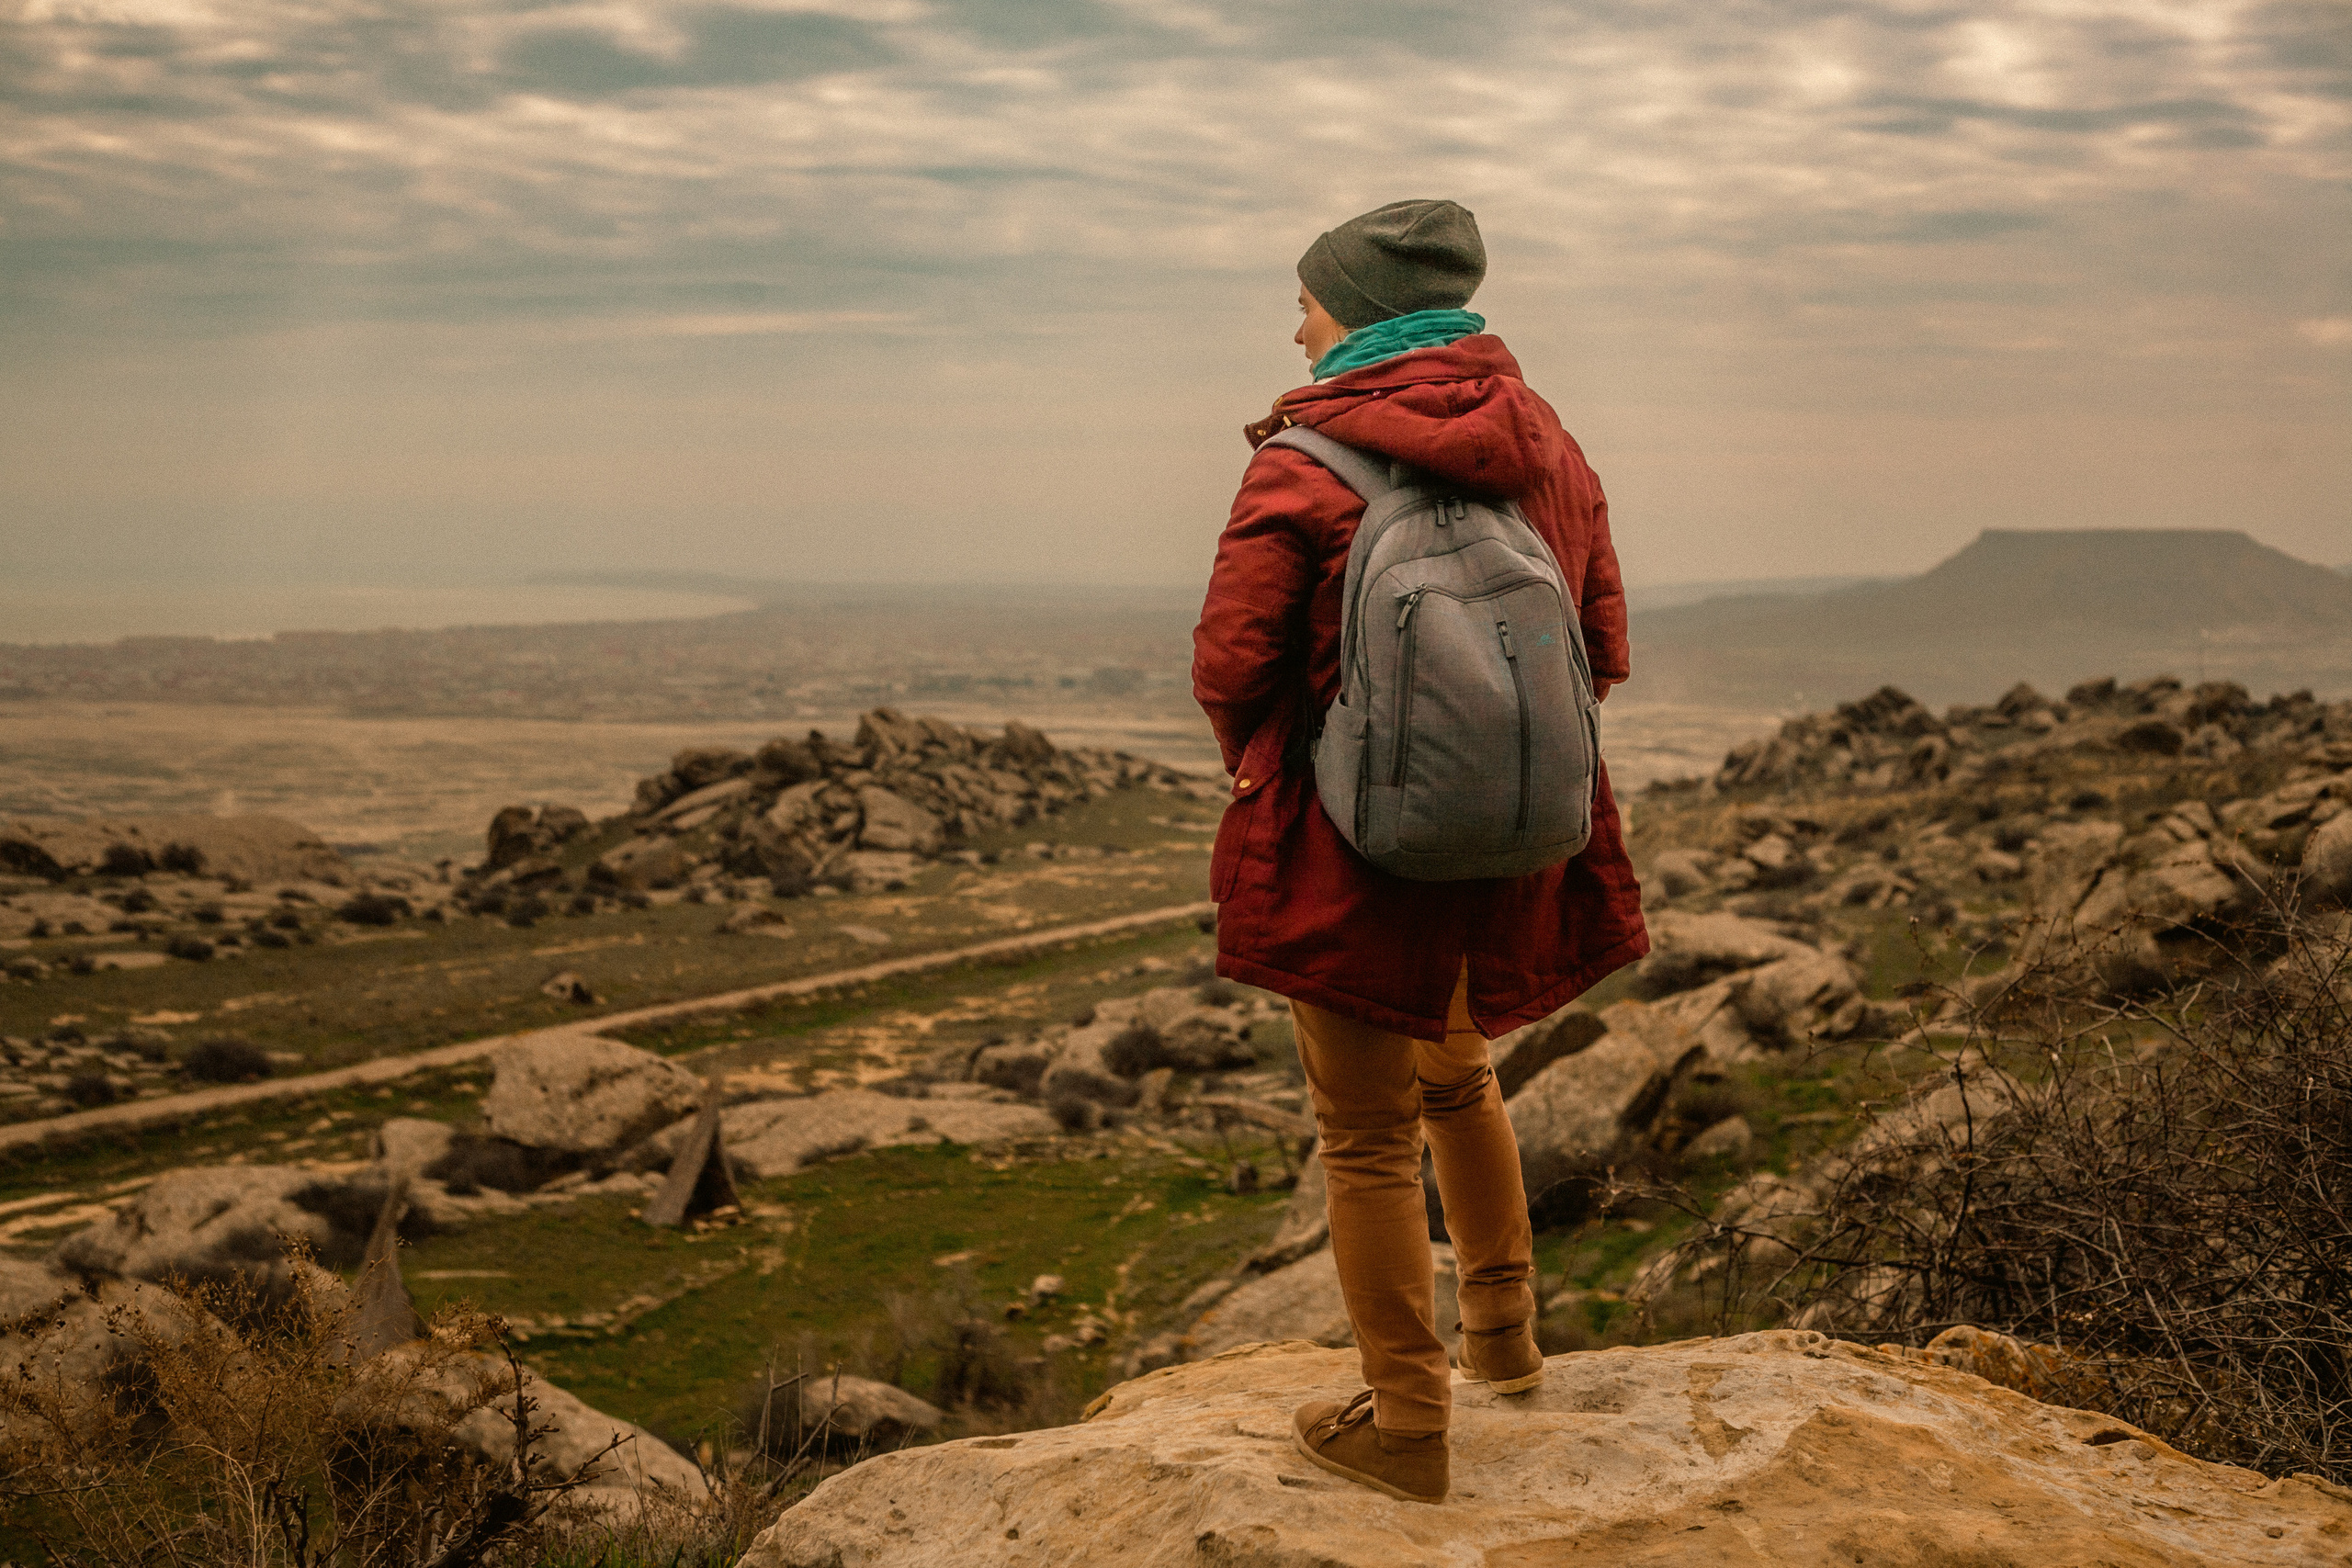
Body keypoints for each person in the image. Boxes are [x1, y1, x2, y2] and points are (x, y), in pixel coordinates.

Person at [1191, 198, 1649, 1505]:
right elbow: (1601, 646)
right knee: (1460, 1074)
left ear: (1367, 314)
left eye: (1312, 301)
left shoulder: (1308, 458)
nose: (1297, 323)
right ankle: (1504, 1340)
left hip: (1351, 838)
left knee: (1363, 1132)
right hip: (1510, 832)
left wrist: (1270, 759)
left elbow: (1234, 659)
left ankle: (1405, 1425)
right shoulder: (1544, 443)